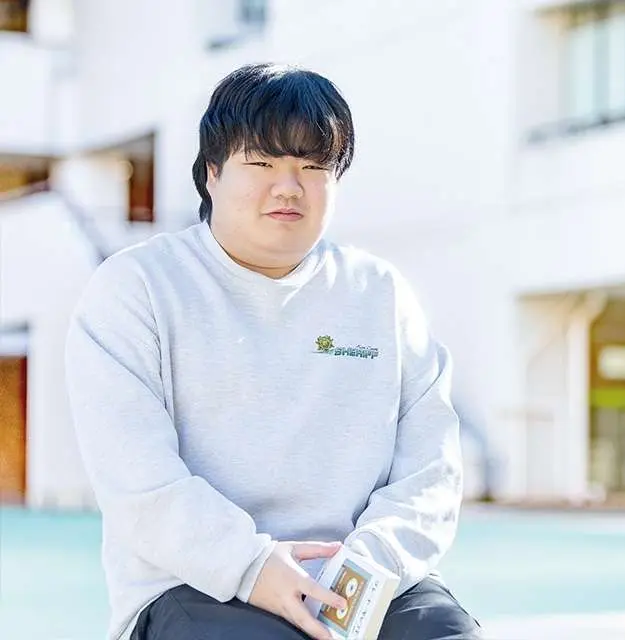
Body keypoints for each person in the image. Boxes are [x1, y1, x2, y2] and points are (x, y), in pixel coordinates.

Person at [65, 63, 481, 640]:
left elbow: (431, 470)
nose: (289, 186)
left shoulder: (380, 293)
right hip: (200, 583)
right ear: (212, 173)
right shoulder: (138, 287)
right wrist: (254, 566)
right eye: (261, 163)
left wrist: (360, 573)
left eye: (313, 167)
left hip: (364, 579)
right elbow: (138, 480)